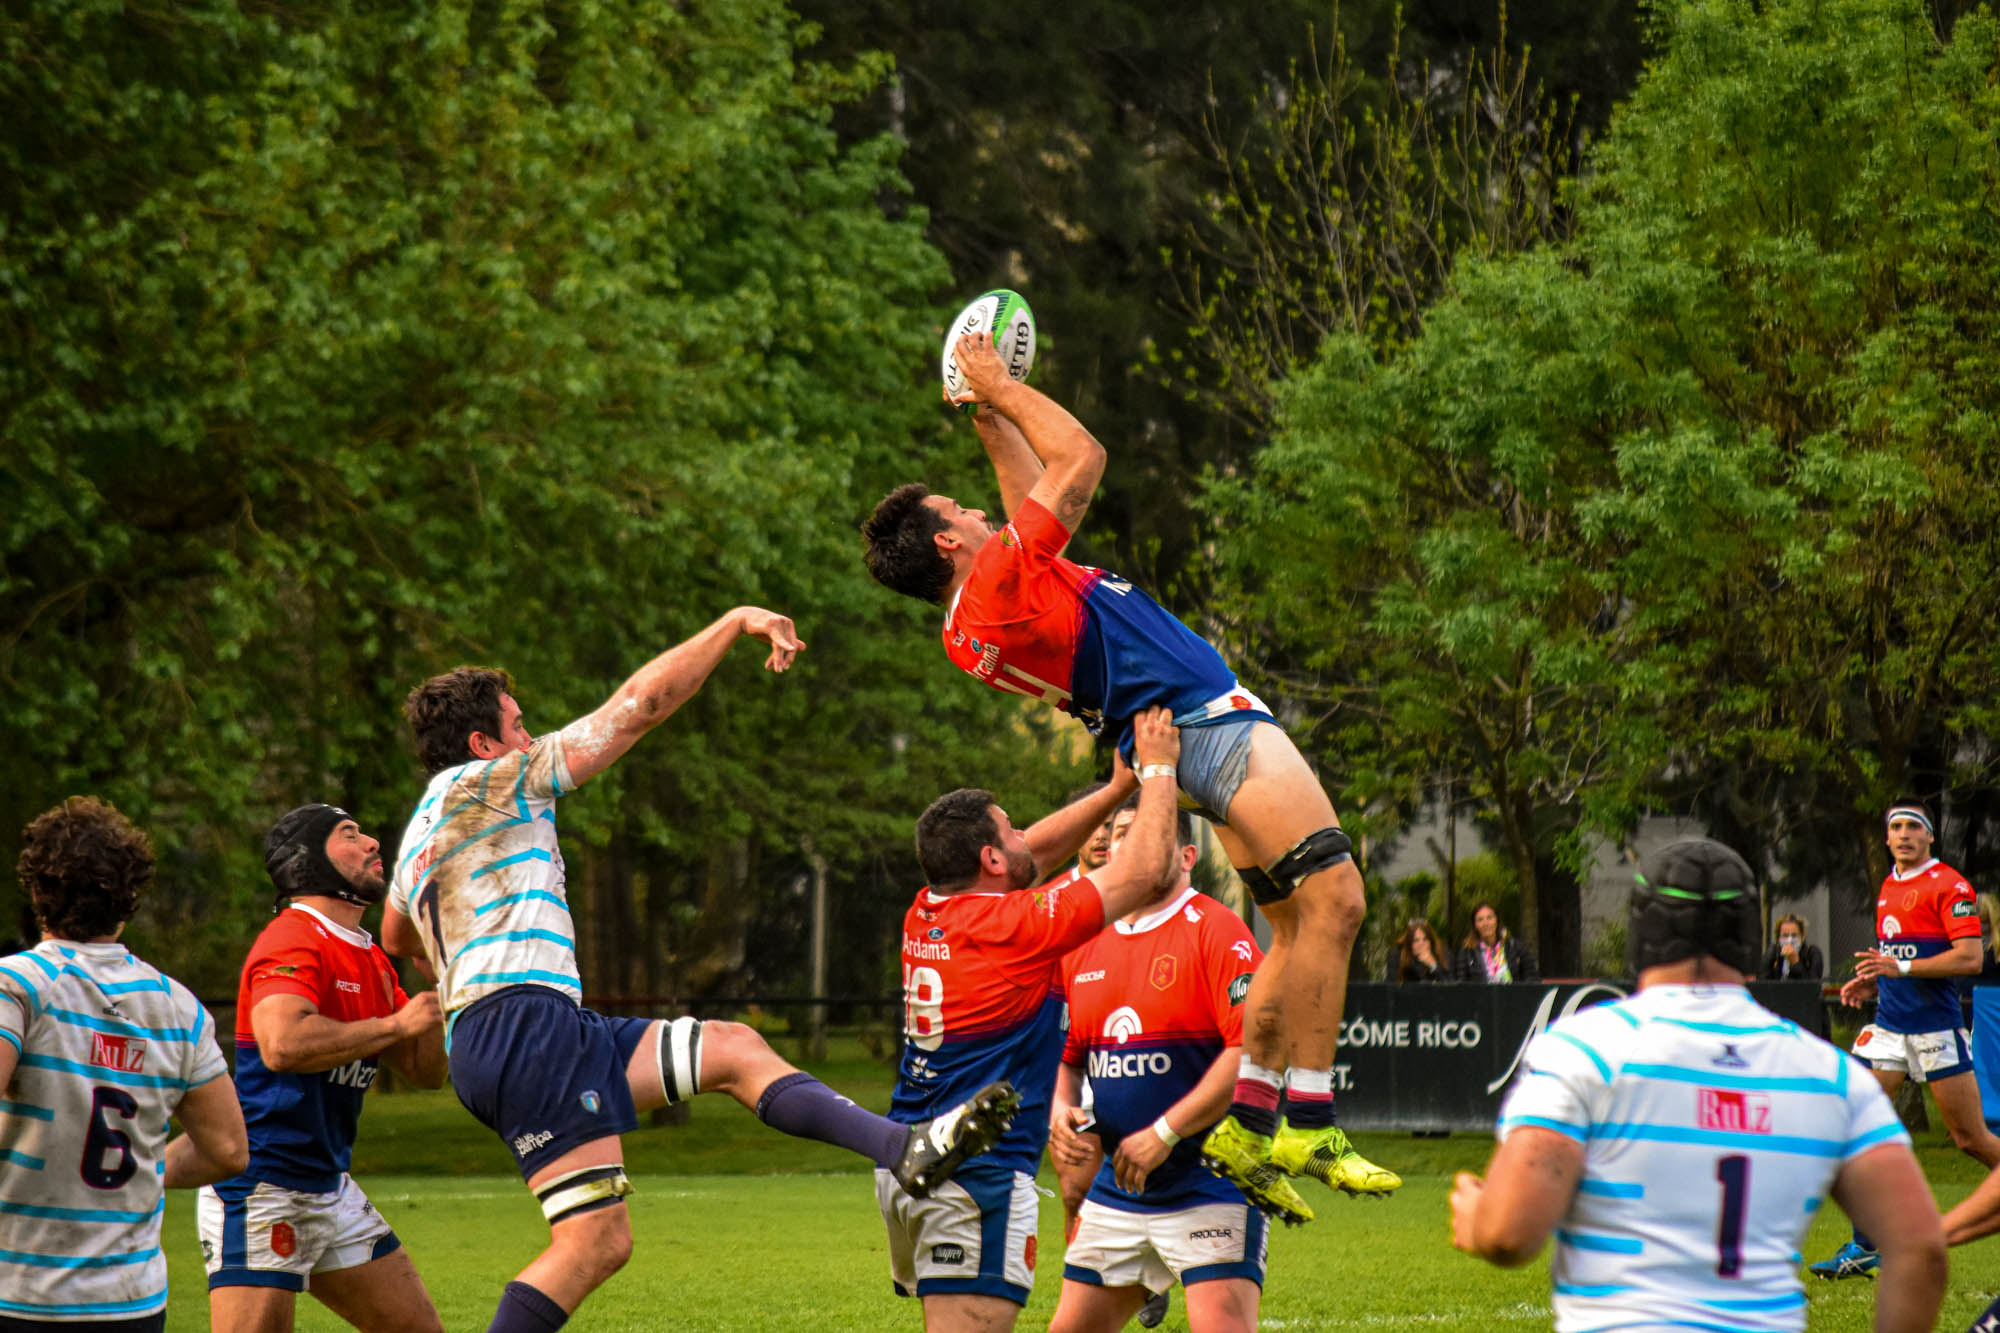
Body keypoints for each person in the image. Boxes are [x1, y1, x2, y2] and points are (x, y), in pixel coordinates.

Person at [861, 331, 1395, 1219]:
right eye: (965, 513)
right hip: (1200, 718)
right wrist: (1002, 385)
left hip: (1170, 732)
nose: (988, 518)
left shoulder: (970, 619)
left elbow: (1026, 495)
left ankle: (1250, 1124)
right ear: (951, 540)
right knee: (1338, 900)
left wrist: (985, 405)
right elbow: (1080, 458)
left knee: (1295, 924)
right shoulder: (994, 580)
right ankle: (1311, 1115)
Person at [381, 611, 1018, 1333]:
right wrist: (733, 624)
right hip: (527, 1027)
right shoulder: (494, 781)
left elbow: (397, 930)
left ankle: (905, 1148)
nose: (530, 738)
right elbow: (636, 709)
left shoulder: (421, 831)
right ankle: (908, 1148)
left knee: (733, 1049)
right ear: (482, 742)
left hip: (512, 1033)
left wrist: (463, 961)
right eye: (519, 725)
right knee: (593, 1241)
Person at [1449, 838, 1946, 1333]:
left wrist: (1476, 1219)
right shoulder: (1832, 1075)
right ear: (1751, 936)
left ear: (1642, 931)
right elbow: (1920, 1248)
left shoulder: (1585, 1050)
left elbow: (1508, 1235)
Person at [876, 709, 1186, 1333]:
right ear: (990, 857)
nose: (1025, 835)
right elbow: (1143, 869)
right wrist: (1158, 770)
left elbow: (1028, 858)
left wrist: (1113, 792)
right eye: (1011, 829)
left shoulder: (928, 909)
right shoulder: (1015, 927)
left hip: (909, 1156)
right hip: (973, 1172)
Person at [0, 797, 249, 1329]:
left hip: (20, 1292)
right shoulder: (177, 1005)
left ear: (37, 888)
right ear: (130, 896)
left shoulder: (17, 985)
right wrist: (141, 1167)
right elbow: (228, 1149)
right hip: (130, 1300)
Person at [198, 804, 449, 1331]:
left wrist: (443, 985)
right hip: (264, 1184)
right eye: (349, 834)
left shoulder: (373, 958)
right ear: (308, 860)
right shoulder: (294, 936)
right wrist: (395, 1027)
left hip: (327, 1186)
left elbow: (425, 1074)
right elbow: (282, 1044)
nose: (374, 842)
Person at [1046, 800, 1273, 1333]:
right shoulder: (1084, 941)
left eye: (1149, 833)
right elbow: (1069, 1056)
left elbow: (1251, 1054)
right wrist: (1062, 1107)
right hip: (1122, 1185)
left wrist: (1165, 1133)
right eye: (1123, 833)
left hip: (1213, 1178)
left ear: (1187, 855)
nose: (1130, 843)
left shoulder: (1218, 931)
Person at [1810, 797, 2000, 1279]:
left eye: (1913, 827)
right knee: (1855, 1127)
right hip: (1890, 1027)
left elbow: (1969, 959)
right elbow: (1899, 955)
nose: (1902, 834)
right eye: (1894, 826)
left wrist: (1901, 967)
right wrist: (1877, 980)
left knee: (1968, 1138)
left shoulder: (1950, 884)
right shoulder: (1889, 885)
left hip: (1935, 1028)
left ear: (1930, 836)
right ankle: (1865, 1244)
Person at [1451, 903, 1539, 984]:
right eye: (1480, 920)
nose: (1486, 923)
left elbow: (1532, 976)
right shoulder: (1467, 952)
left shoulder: (1514, 946)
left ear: (1497, 920)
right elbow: (1461, 984)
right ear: (1475, 925)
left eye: (1489, 918)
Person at [1760, 912, 1824, 981]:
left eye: (1794, 935)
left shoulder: (1812, 953)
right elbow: (1762, 982)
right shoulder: (1773, 953)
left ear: (1802, 937)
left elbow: (1813, 987)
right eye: (1785, 935)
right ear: (1778, 938)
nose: (1789, 940)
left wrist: (1795, 963)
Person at [1390, 919, 1448, 983]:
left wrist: (1433, 964)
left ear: (1431, 941)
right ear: (1409, 943)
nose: (1421, 944)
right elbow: (1391, 985)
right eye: (1416, 940)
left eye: (1425, 939)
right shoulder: (1397, 956)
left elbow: (1451, 986)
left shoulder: (1442, 952)